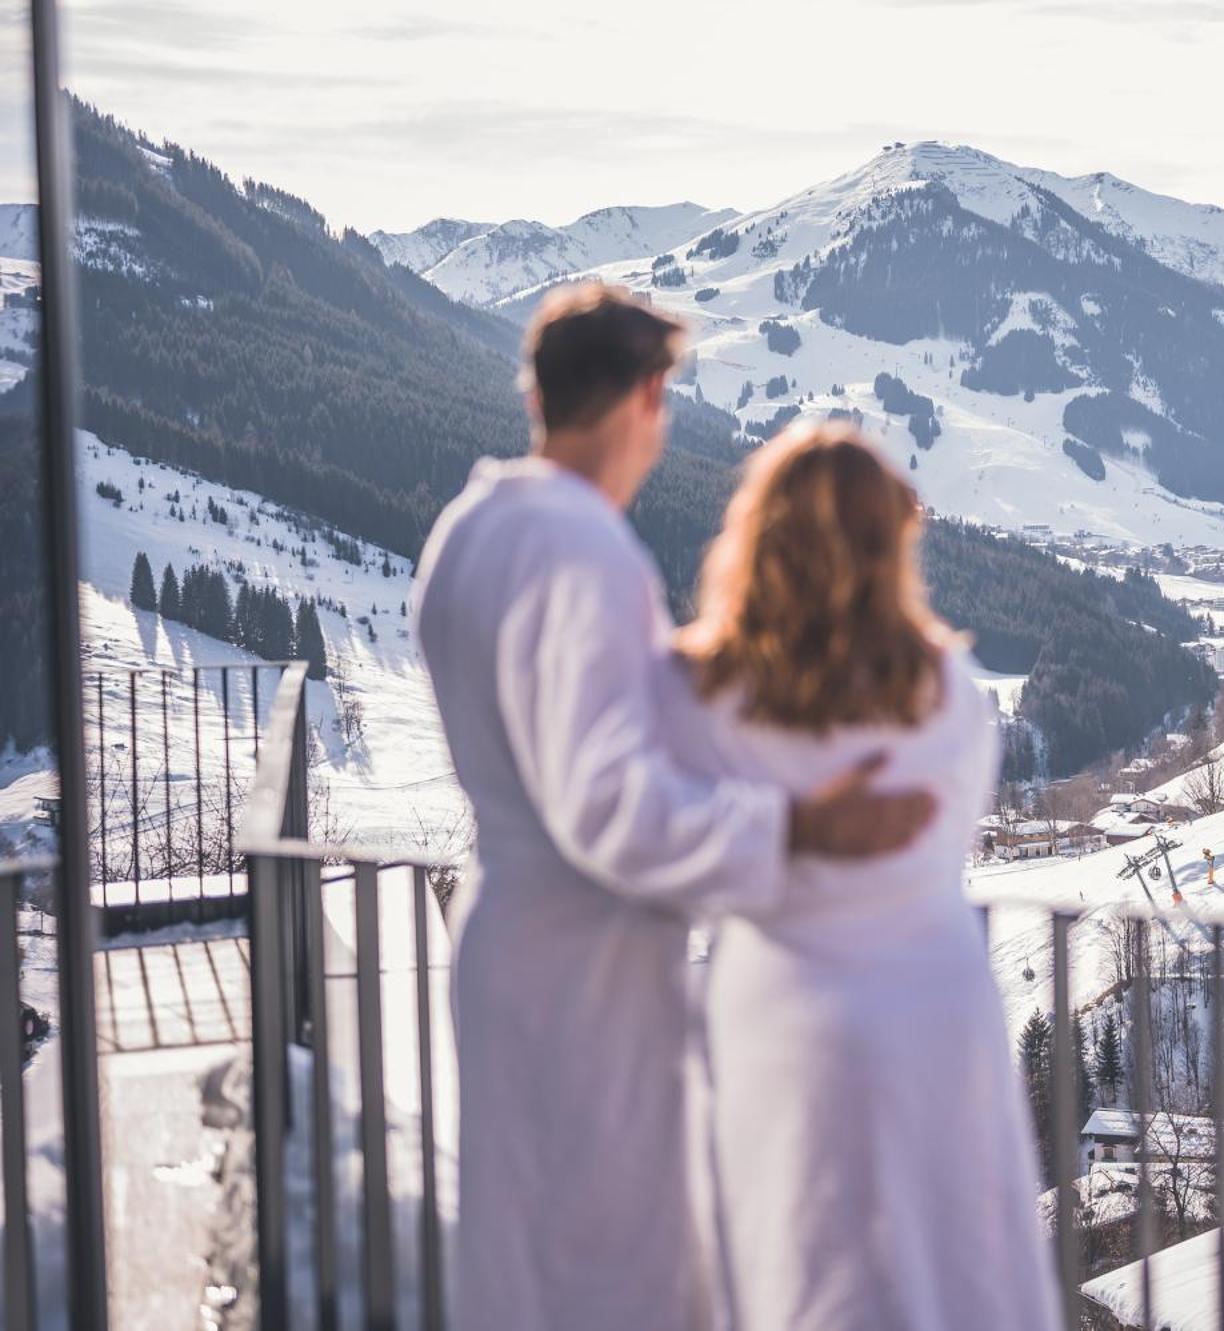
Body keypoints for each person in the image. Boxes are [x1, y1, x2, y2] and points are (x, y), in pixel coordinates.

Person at [412, 285, 934, 1331]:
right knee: (609, 1269)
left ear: (539, 390)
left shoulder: (466, 531)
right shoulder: (585, 550)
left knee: (525, 1256)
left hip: (508, 940)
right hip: (584, 968)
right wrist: (795, 826)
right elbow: (603, 800)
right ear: (650, 395)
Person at [665, 423, 1059, 1331]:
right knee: (950, 1259)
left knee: (794, 1260)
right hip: (933, 1000)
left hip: (779, 1003)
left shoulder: (709, 699)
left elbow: (682, 840)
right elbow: (948, 833)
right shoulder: (948, 695)